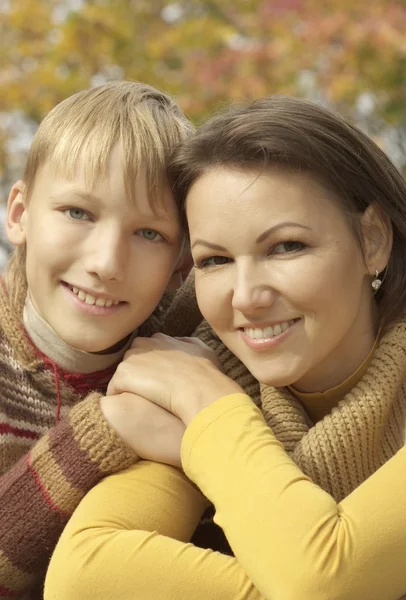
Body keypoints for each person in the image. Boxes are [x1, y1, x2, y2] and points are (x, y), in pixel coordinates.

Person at [45, 96, 406, 600]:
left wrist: (215, 411)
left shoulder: (201, 393)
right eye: (215, 260)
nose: (247, 297)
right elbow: (85, 577)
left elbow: (326, 580)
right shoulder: (197, 367)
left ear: (372, 241)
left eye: (286, 247)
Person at [0, 80, 204, 599]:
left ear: (181, 264)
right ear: (20, 214)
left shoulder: (185, 358)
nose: (106, 264)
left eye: (149, 234)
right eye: (78, 213)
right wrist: (103, 432)